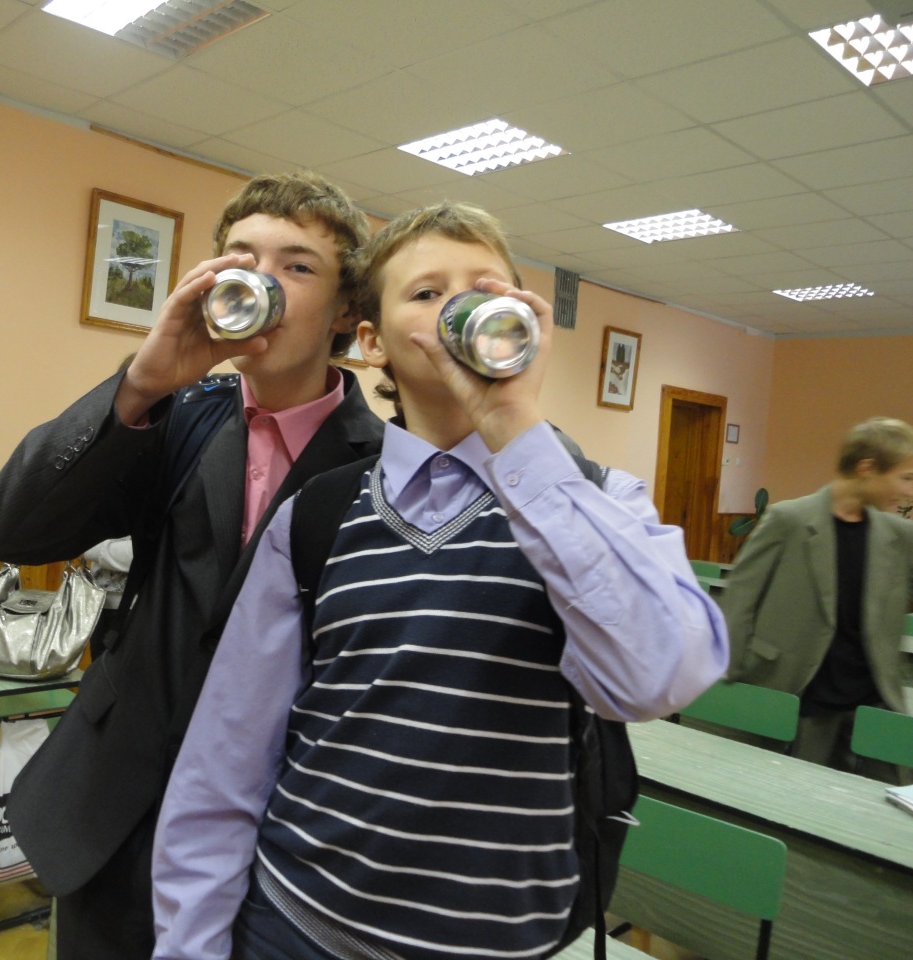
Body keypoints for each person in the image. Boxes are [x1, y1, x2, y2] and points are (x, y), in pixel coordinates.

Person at [151, 202, 728, 960]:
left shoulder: (597, 501)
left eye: (483, 290)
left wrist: (515, 430)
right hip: (296, 925)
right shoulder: (316, 514)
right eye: (426, 294)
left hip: (497, 942)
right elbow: (227, 756)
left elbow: (658, 679)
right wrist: (188, 944)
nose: (460, 308)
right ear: (372, 341)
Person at [0, 171, 384, 960]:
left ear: (345, 309)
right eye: (242, 259)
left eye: (297, 266)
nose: (262, 281)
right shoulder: (178, 417)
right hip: (115, 815)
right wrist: (141, 382)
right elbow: (15, 530)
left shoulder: (388, 467)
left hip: (277, 836)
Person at [722, 416, 913, 775]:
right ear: (867, 468)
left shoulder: (900, 534)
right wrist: (731, 684)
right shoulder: (788, 520)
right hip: (799, 697)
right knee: (790, 797)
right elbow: (740, 601)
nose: (912, 492)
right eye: (906, 478)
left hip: (873, 704)